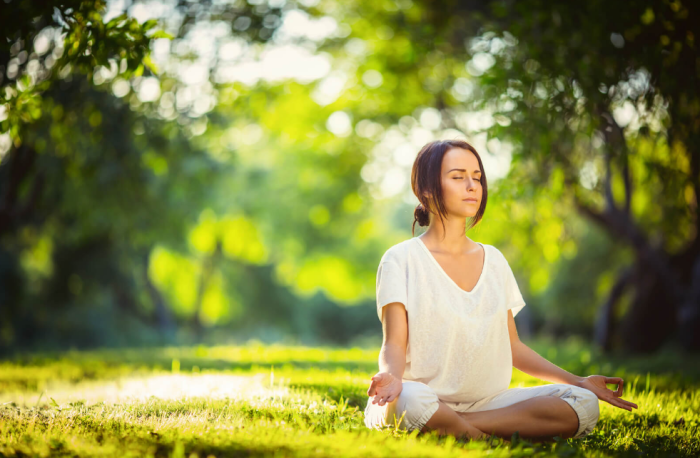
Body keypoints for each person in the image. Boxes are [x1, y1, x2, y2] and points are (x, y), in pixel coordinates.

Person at [363, 139, 639, 441]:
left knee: (583, 403)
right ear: (426, 190)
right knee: (412, 402)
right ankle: (482, 431)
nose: (472, 186)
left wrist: (580, 381)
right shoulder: (400, 259)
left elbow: (513, 347)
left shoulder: (493, 260)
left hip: (488, 402)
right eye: (458, 177)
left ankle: (456, 425)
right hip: (419, 395)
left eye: (477, 177)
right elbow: (394, 343)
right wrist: (391, 376)